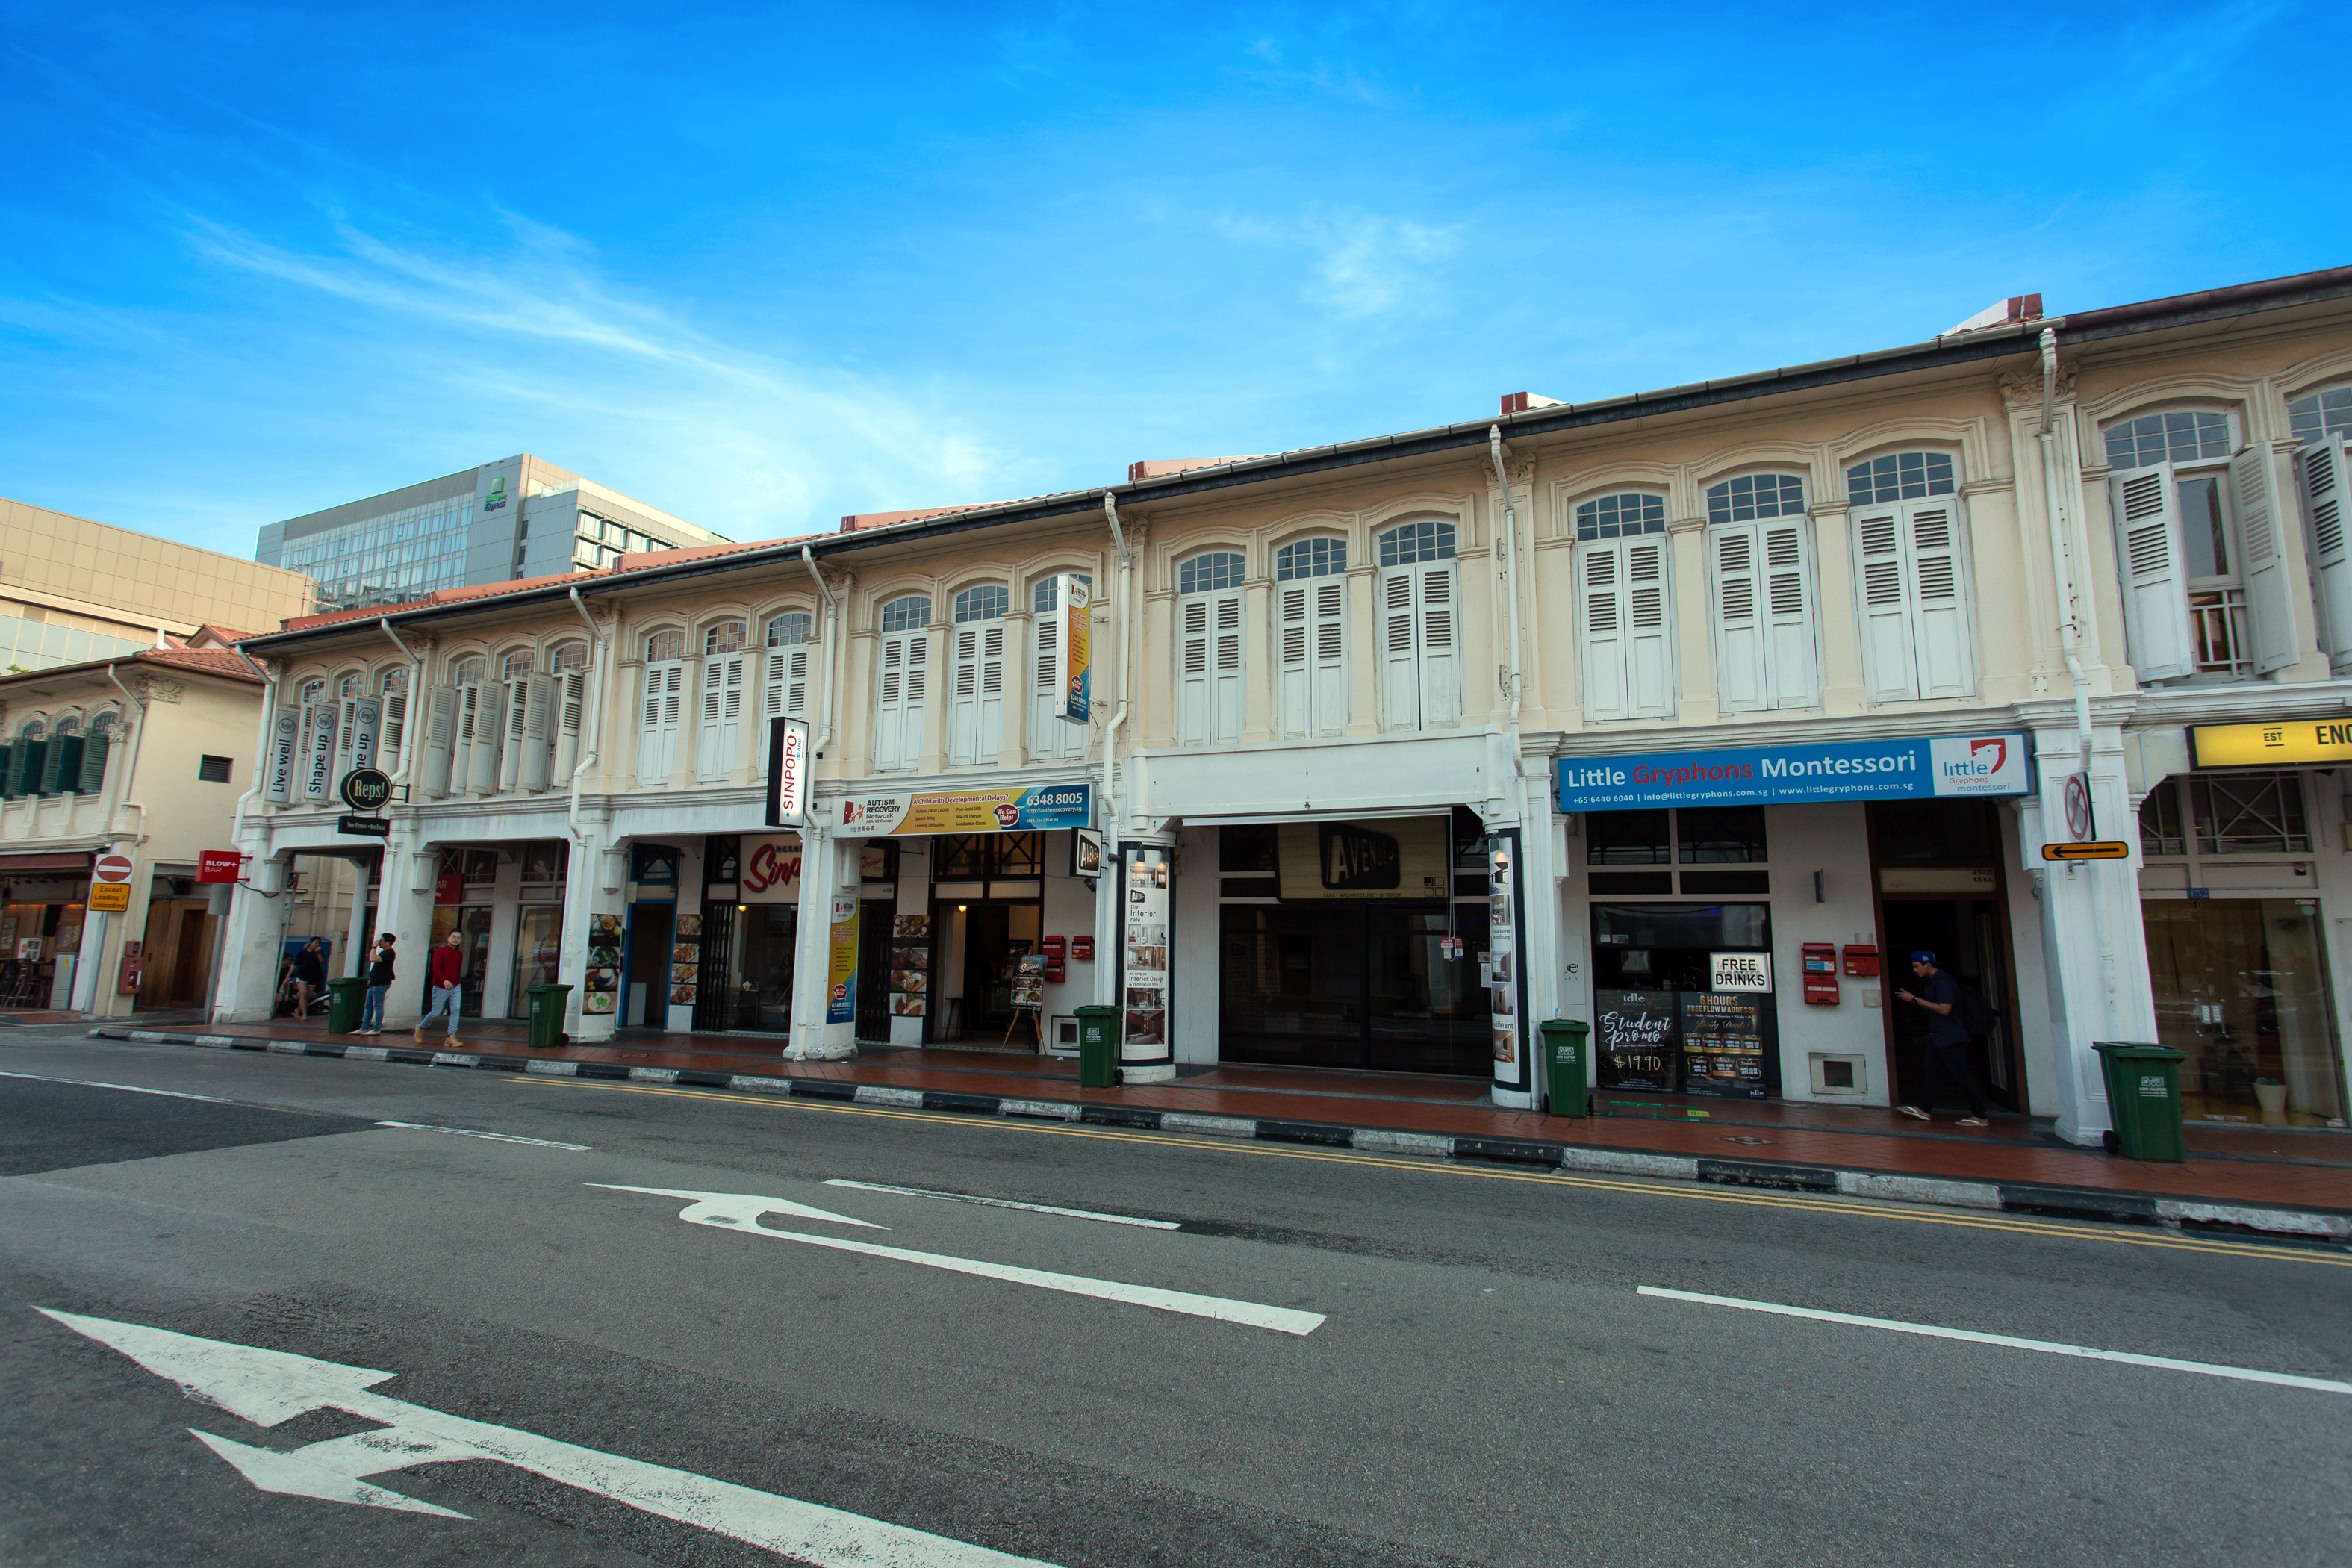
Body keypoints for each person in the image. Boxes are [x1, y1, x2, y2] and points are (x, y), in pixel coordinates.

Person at [1894, 950, 1988, 1126]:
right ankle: (1924, 1109)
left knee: (1962, 1076)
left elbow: (1945, 1009)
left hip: (1951, 1037)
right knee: (1932, 1073)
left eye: (1916, 966)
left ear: (1927, 965)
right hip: (1938, 1037)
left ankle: (1980, 1116)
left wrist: (1914, 999)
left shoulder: (1944, 982)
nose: (1915, 970)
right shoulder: (1932, 982)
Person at [414, 929, 467, 1048]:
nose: (456, 939)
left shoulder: (459, 954)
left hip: (456, 985)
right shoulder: (440, 952)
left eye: (458, 938)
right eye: (454, 937)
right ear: (448, 938)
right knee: (436, 1012)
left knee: (456, 1010)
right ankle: (421, 1028)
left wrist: (455, 982)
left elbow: (457, 970)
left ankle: (451, 1036)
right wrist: (444, 980)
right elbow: (436, 969)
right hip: (441, 986)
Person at [360, 933, 396, 1036]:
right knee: (368, 1005)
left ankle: (376, 1028)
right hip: (374, 982)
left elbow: (373, 959)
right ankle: (364, 1027)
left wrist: (373, 947)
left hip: (381, 983)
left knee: (377, 1005)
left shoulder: (389, 953)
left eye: (381, 941)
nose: (379, 942)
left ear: (388, 942)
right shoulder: (384, 952)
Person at [290, 938, 328, 1021]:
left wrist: (318, 954)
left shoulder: (319, 953)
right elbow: (295, 965)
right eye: (316, 943)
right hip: (303, 975)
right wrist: (287, 977)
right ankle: (304, 1014)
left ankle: (298, 1009)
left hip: (313, 976)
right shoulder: (303, 953)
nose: (317, 944)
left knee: (309, 995)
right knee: (303, 994)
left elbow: (323, 962)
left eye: (319, 943)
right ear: (311, 943)